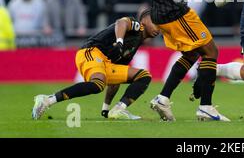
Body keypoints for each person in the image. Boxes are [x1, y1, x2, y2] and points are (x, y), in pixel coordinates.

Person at [31, 10, 160, 120]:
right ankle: (47, 100)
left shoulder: (133, 46)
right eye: (155, 23)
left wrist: (106, 108)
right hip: (92, 51)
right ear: (144, 20)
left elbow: (115, 81)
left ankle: (118, 109)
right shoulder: (138, 26)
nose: (158, 28)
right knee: (98, 84)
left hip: (107, 63)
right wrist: (119, 41)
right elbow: (121, 23)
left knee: (144, 76)